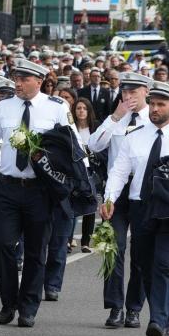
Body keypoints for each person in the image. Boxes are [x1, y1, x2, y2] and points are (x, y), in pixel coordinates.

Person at [0, 58, 71, 328]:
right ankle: (8, 301)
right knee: (3, 244)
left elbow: (69, 147)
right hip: (7, 186)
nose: (16, 83)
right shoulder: (4, 107)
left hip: (40, 190)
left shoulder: (57, 107)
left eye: (23, 79)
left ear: (38, 82)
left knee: (35, 251)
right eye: (15, 78)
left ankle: (28, 305)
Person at [101, 81, 169, 336]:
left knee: (164, 266)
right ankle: (163, 319)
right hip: (142, 209)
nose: (156, 109)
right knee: (146, 267)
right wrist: (110, 197)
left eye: (162, 104)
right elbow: (118, 170)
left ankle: (157, 322)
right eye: (154, 104)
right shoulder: (135, 136)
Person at [87, 72, 151, 328]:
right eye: (125, 91)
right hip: (117, 190)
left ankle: (134, 308)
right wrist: (115, 117)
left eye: (134, 91)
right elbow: (94, 145)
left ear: (146, 91)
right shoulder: (116, 119)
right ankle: (115, 307)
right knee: (113, 249)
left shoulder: (153, 118)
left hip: (145, 191)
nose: (128, 96)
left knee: (141, 253)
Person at [72, 98, 99, 252]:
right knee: (72, 204)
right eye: (78, 108)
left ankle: (85, 242)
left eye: (84, 108)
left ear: (89, 111)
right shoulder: (71, 128)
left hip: (91, 171)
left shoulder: (95, 127)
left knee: (90, 205)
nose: (81, 111)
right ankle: (69, 240)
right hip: (74, 171)